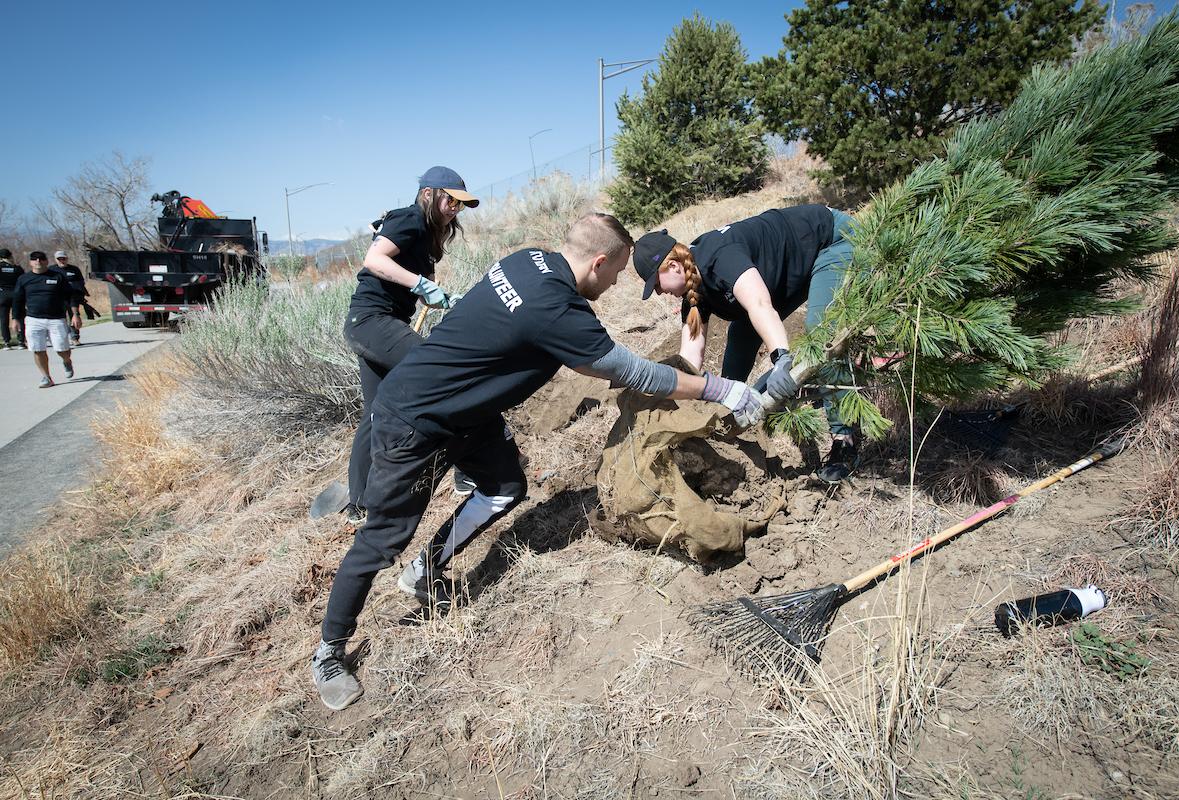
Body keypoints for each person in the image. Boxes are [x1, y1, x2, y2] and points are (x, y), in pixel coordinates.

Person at [312, 213, 766, 710]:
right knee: (381, 539)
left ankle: (427, 569)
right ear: (599, 262)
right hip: (413, 422)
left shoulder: (528, 261)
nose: (616, 283)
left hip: (466, 412)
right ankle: (329, 651)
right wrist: (723, 389)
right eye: (615, 272)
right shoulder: (557, 311)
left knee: (505, 485)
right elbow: (633, 372)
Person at [633, 204, 858, 484]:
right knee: (740, 335)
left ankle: (844, 438)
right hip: (790, 271)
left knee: (822, 335)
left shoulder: (719, 258)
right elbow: (689, 358)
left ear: (674, 266)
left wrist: (781, 359)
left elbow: (760, 304)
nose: (658, 292)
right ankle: (728, 419)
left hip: (829, 241)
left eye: (656, 284)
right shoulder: (692, 292)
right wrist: (683, 404)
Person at [341, 166, 480, 520]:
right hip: (374, 321)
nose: (454, 209)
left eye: (460, 205)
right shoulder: (408, 219)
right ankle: (470, 470)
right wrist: (421, 284)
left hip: (375, 325)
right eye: (451, 200)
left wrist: (448, 298)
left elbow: (426, 295)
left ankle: (359, 505)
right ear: (429, 194)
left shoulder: (430, 236)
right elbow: (374, 260)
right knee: (444, 376)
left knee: (375, 412)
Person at [11, 251, 79, 387]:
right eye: (34, 259)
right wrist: (15, 318)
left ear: (46, 261)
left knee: (62, 349)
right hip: (33, 319)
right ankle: (46, 377)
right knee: (38, 349)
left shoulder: (58, 277)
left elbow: (70, 296)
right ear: (30, 262)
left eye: (41, 259)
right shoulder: (24, 279)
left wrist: (75, 314)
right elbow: (17, 300)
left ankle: (67, 361)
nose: (38, 261)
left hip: (56, 319)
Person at [53, 250, 88, 345]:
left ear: (67, 259)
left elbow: (81, 282)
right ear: (56, 260)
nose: (62, 260)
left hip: (73, 297)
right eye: (59, 259)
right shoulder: (52, 270)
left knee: (74, 317)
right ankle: (62, 338)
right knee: (60, 319)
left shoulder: (74, 269)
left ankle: (75, 338)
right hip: (58, 298)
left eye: (63, 258)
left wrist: (80, 293)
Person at [0, 248, 25, 348]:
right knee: (19, 318)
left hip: (3, 295)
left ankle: (6, 342)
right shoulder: (17, 268)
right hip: (16, 294)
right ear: (10, 256)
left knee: (3, 319)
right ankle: (21, 341)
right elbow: (23, 281)